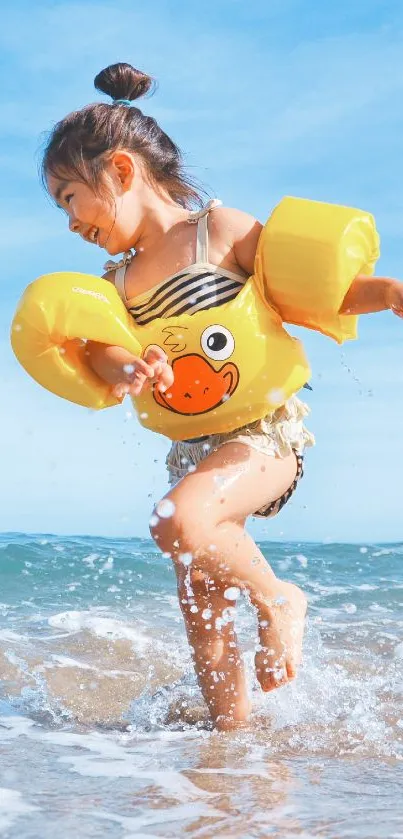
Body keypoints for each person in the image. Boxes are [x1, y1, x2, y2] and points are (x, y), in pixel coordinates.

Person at [42, 62, 403, 730]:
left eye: (69, 197)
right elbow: (107, 351)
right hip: (192, 450)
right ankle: (228, 756)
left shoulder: (218, 230)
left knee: (173, 521)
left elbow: (310, 292)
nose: (68, 220)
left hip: (265, 434)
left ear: (119, 171)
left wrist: (383, 293)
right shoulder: (117, 282)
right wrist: (130, 369)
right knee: (202, 604)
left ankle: (278, 599)